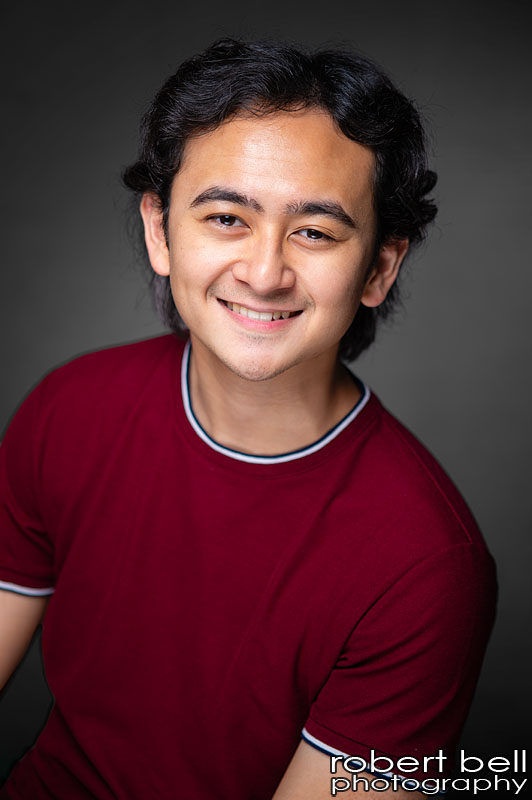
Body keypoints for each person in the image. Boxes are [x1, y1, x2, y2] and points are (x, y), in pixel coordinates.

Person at [0, 38, 496, 799]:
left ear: (380, 267)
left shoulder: (428, 566)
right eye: (227, 217)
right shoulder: (70, 410)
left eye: (315, 232)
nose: (265, 274)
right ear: (161, 231)